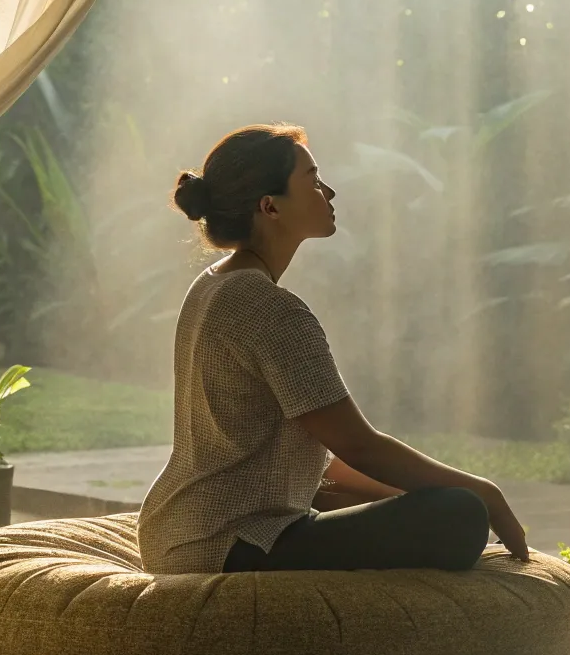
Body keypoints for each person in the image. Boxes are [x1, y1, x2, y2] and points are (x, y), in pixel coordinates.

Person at [134, 122, 531, 575]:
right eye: (313, 179)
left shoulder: (214, 284)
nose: (330, 191)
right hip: (227, 542)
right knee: (458, 515)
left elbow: (331, 463)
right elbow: (360, 446)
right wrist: (485, 494)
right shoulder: (269, 308)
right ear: (270, 206)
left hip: (177, 530)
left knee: (437, 502)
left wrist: (411, 494)